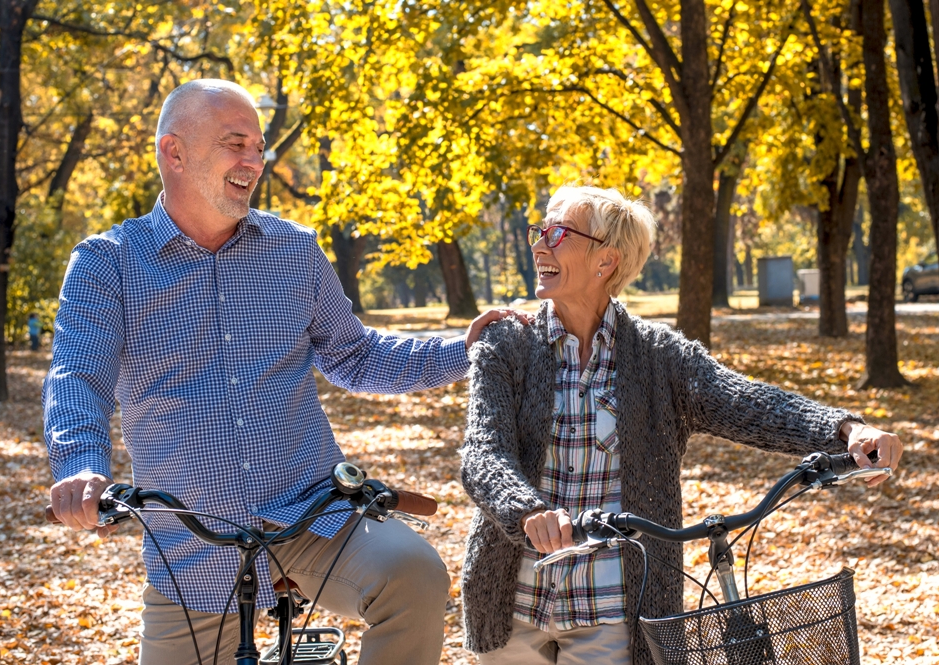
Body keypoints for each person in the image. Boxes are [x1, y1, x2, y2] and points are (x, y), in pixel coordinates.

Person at [44, 78, 522, 665]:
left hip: (313, 516)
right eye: (235, 143)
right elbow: (77, 378)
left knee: (415, 575)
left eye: (259, 146)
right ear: (174, 152)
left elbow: (357, 355)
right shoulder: (107, 263)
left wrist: (465, 348)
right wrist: (81, 470)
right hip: (191, 546)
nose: (255, 161)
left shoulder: (293, 251)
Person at [458, 185, 904, 665]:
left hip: (614, 614)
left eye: (558, 232)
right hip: (514, 604)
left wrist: (844, 430)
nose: (540, 244)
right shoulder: (509, 342)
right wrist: (526, 510)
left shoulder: (659, 357)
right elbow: (483, 451)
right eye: (540, 231)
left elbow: (746, 401)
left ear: (605, 261)